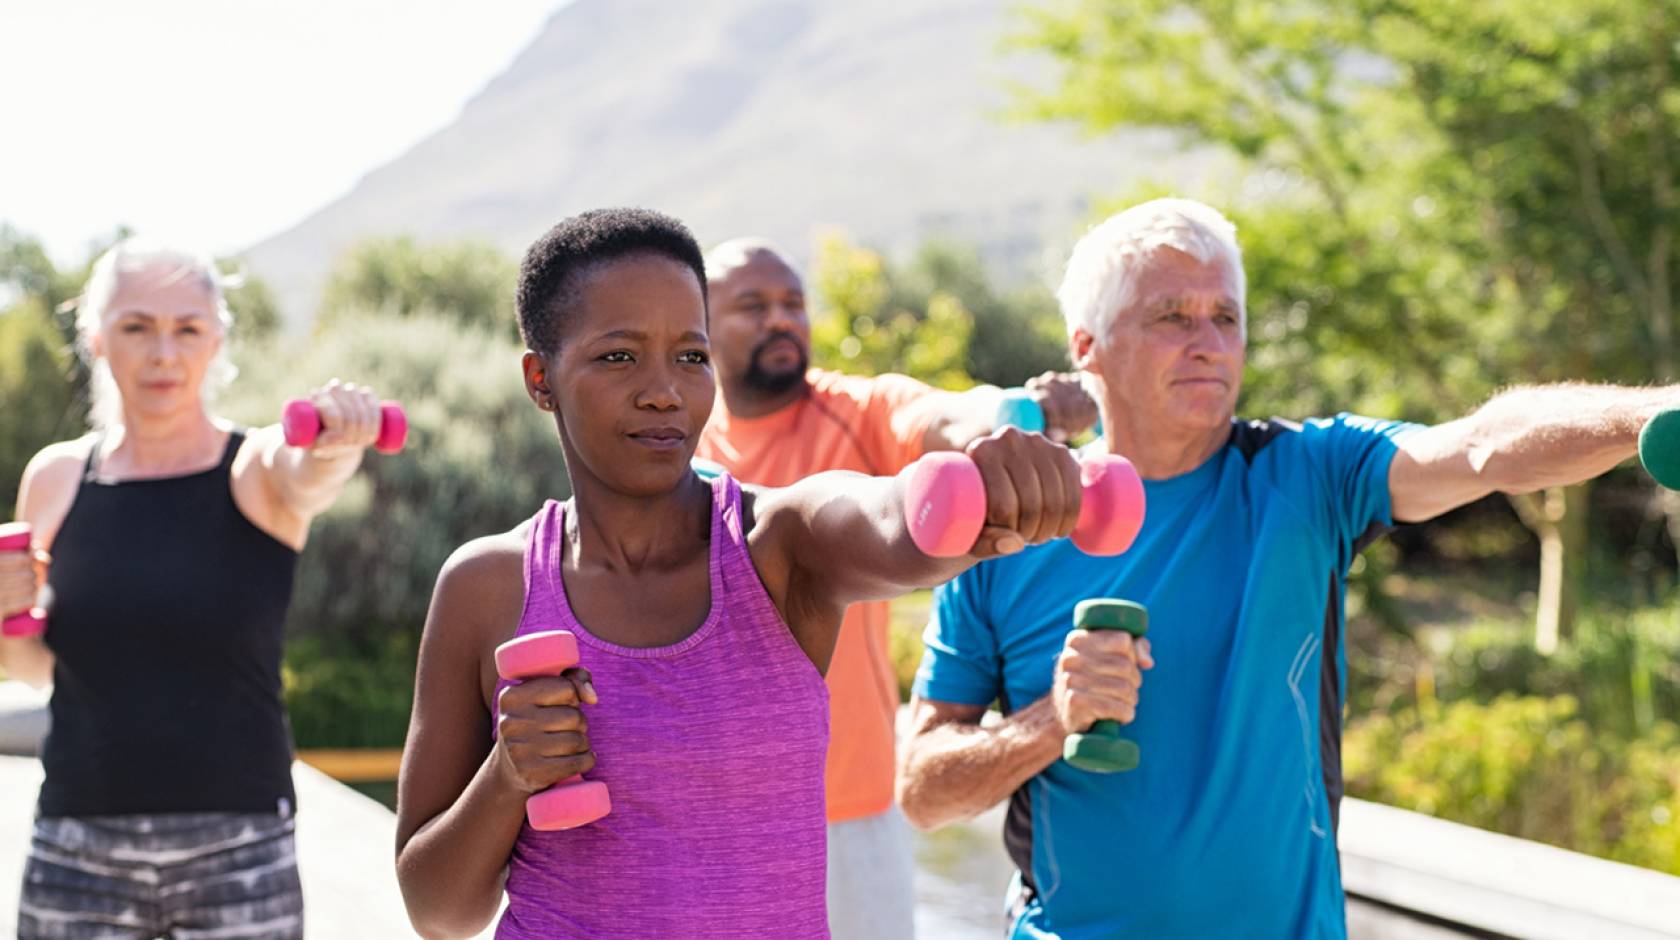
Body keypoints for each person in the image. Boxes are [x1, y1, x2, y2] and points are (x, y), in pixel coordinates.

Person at [896, 198, 1675, 939]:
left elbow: (1482, 444)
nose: (1208, 340)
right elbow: (924, 791)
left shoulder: (1308, 473)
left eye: (1225, 317)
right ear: (1087, 346)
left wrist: (1647, 413)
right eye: (1172, 315)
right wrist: (1050, 720)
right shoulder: (1007, 530)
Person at [392, 208, 1087, 939]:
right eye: (619, 357)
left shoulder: (778, 546)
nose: (664, 391)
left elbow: (890, 522)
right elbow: (437, 913)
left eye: (691, 357)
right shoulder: (487, 587)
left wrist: (984, 492)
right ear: (541, 379)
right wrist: (509, 776)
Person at [695, 237, 1097, 938]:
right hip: (704, 814)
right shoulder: (680, 444)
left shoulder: (858, 409)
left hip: (849, 807)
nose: (781, 320)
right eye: (752, 306)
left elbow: (945, 416)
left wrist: (1017, 414)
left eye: (793, 303)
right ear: (698, 324)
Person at [0, 239, 388, 939]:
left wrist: (334, 446)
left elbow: (308, 474)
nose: (163, 353)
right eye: (136, 326)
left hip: (237, 849)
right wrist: (2, 614)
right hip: (76, 848)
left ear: (216, 343)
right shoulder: (55, 479)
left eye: (187, 329)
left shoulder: (256, 469)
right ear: (95, 340)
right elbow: (34, 668)